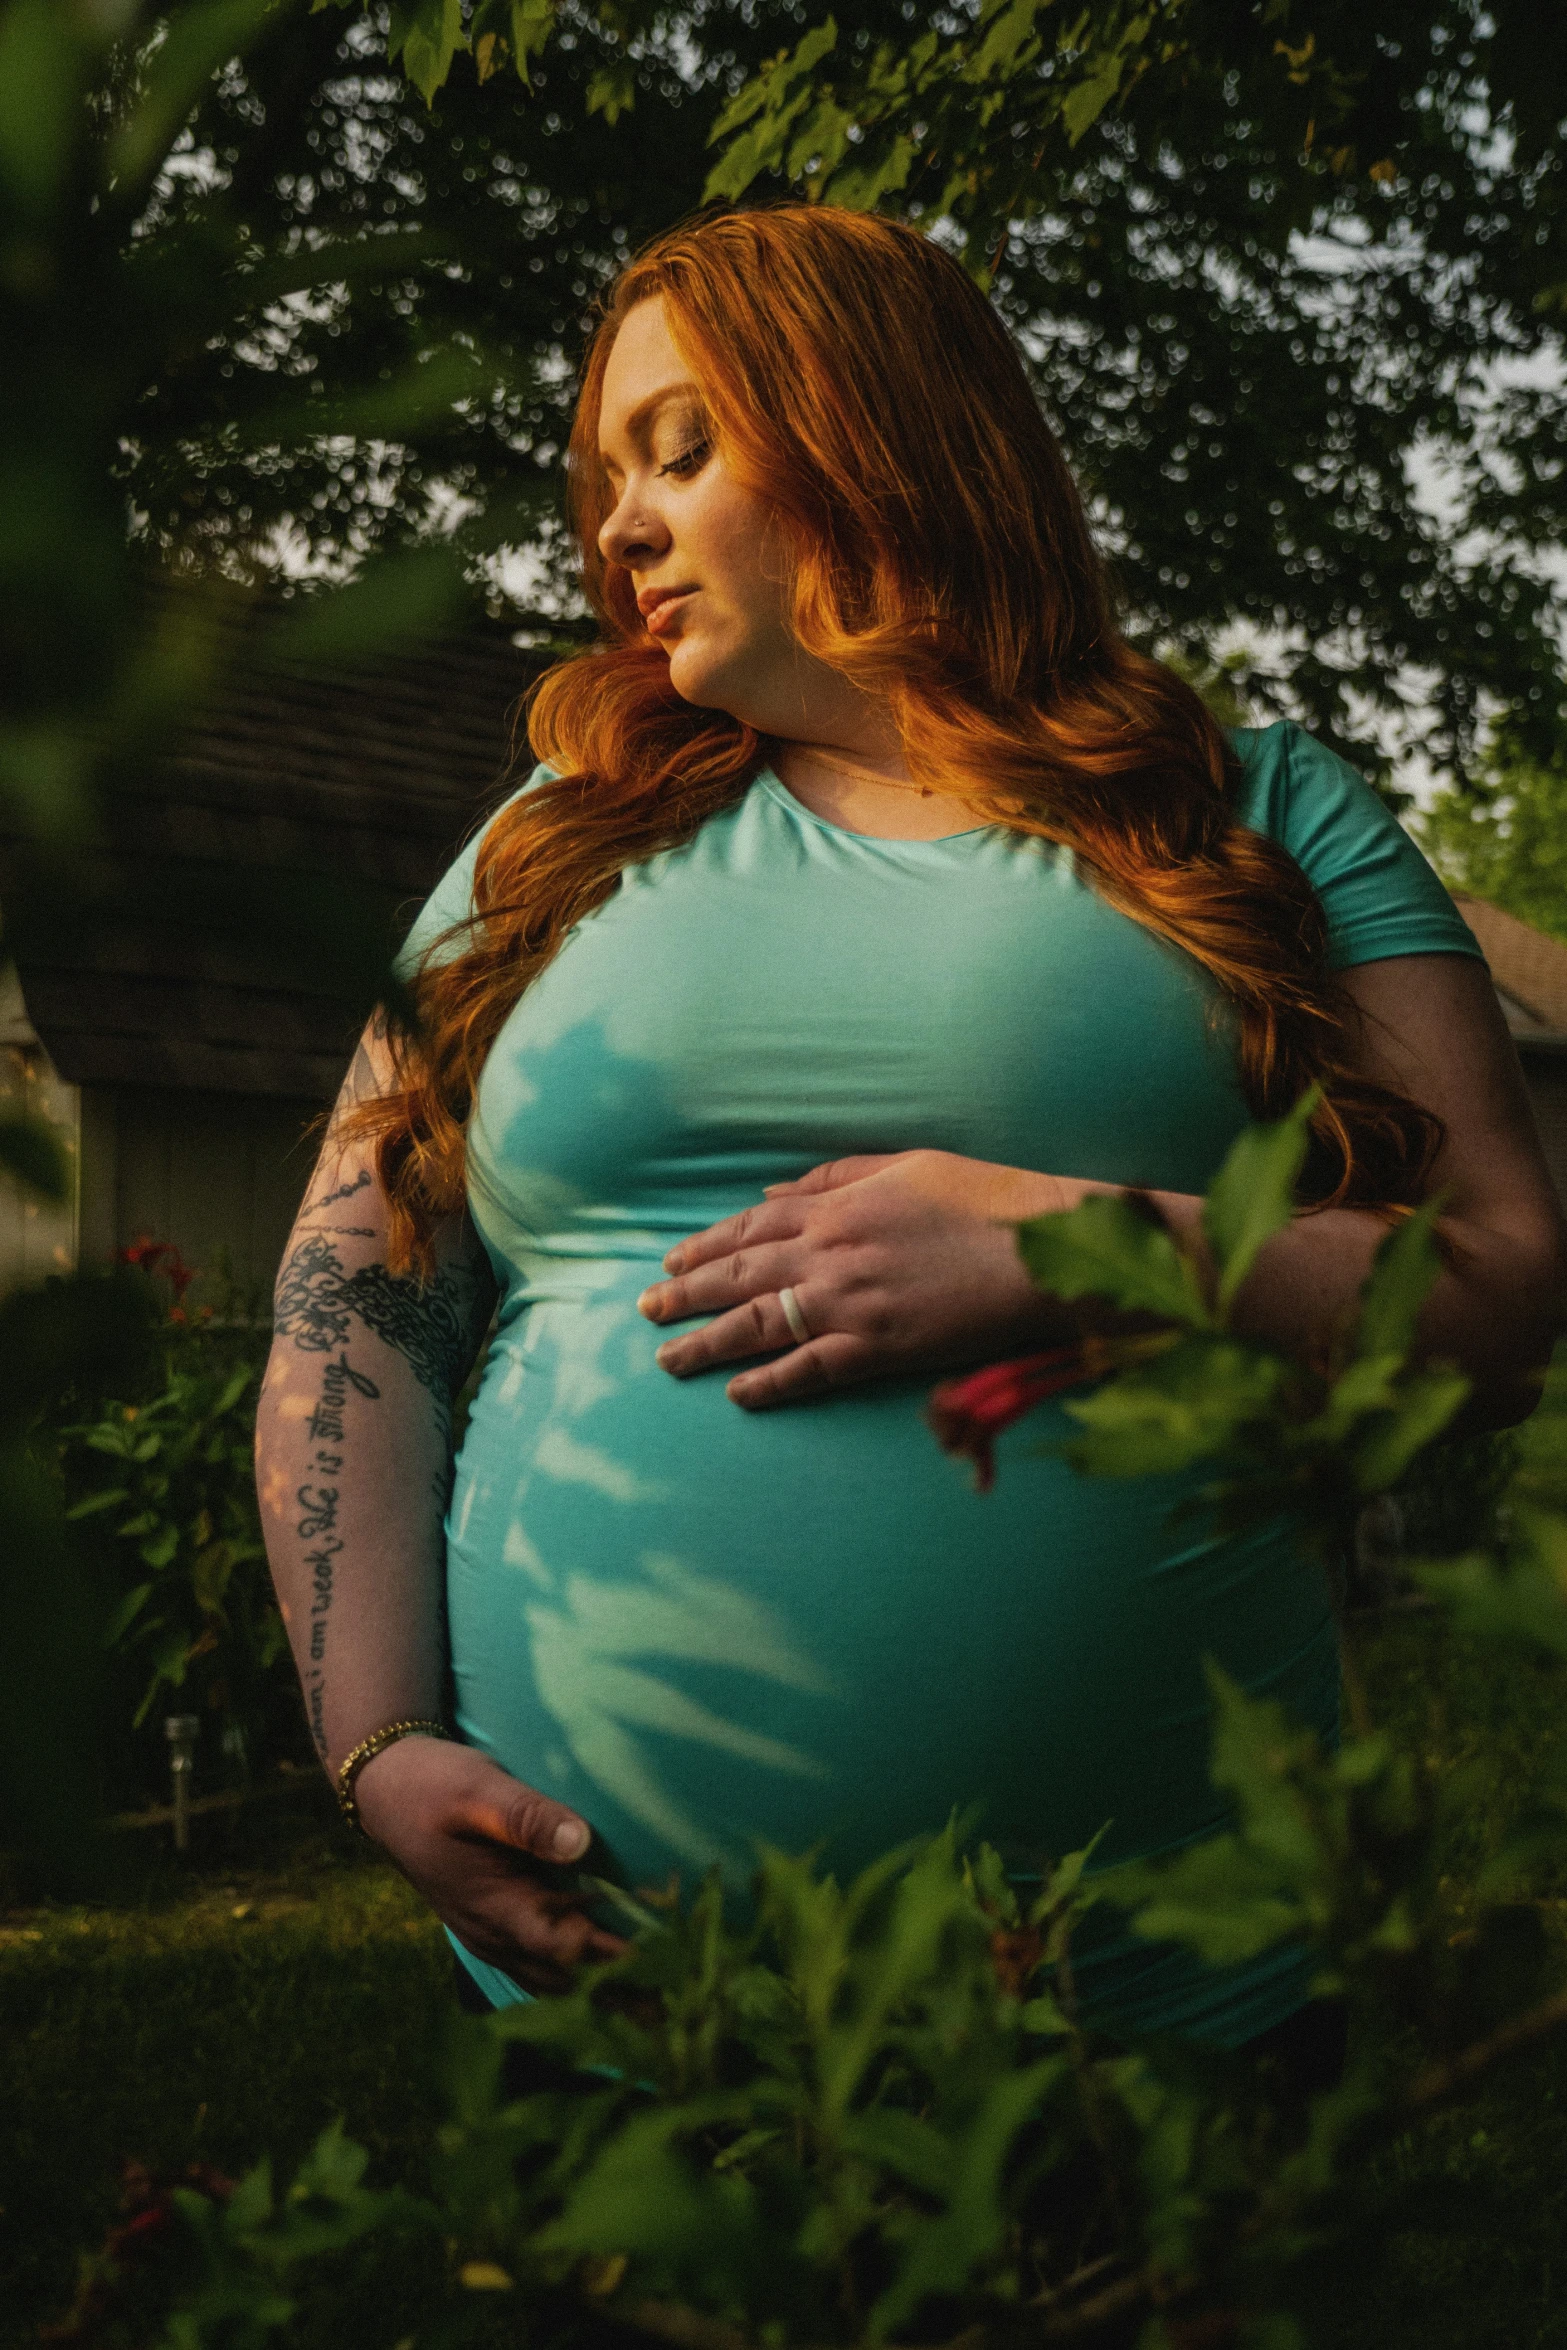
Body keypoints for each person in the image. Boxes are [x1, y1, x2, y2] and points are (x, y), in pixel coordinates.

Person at [255, 204, 1567, 2065]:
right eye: (604, 471)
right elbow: (350, 1301)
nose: (616, 522)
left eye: (679, 449)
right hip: (607, 1995)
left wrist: (1071, 1240)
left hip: (1151, 2013)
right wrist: (373, 1742)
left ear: (871, 428)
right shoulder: (550, 839)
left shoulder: (1252, 810)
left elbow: (1505, 1289)